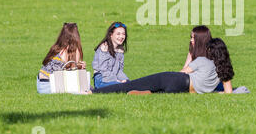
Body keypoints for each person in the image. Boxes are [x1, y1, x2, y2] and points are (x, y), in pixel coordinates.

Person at [90, 38, 234, 95]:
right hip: (183, 90)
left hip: (176, 80)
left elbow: (182, 72)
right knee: (157, 90)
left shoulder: (203, 60)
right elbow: (229, 93)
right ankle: (145, 93)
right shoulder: (224, 71)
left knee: (130, 84)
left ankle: (94, 92)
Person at [37, 23, 86, 94]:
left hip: (40, 85)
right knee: (84, 91)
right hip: (52, 86)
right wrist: (80, 67)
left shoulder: (56, 48)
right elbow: (71, 73)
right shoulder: (71, 51)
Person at [181, 26, 232, 93]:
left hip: (205, 85)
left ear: (201, 39)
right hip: (193, 83)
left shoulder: (213, 53)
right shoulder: (193, 52)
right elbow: (184, 72)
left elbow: (223, 70)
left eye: (194, 38)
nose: (191, 40)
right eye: (191, 37)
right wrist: (190, 56)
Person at [92, 21, 130, 88]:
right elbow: (104, 71)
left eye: (123, 34)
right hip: (102, 79)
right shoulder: (104, 48)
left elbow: (119, 71)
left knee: (129, 85)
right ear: (111, 35)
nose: (121, 37)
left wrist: (126, 80)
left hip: (113, 78)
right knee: (120, 86)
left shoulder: (120, 50)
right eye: (118, 34)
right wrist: (117, 81)